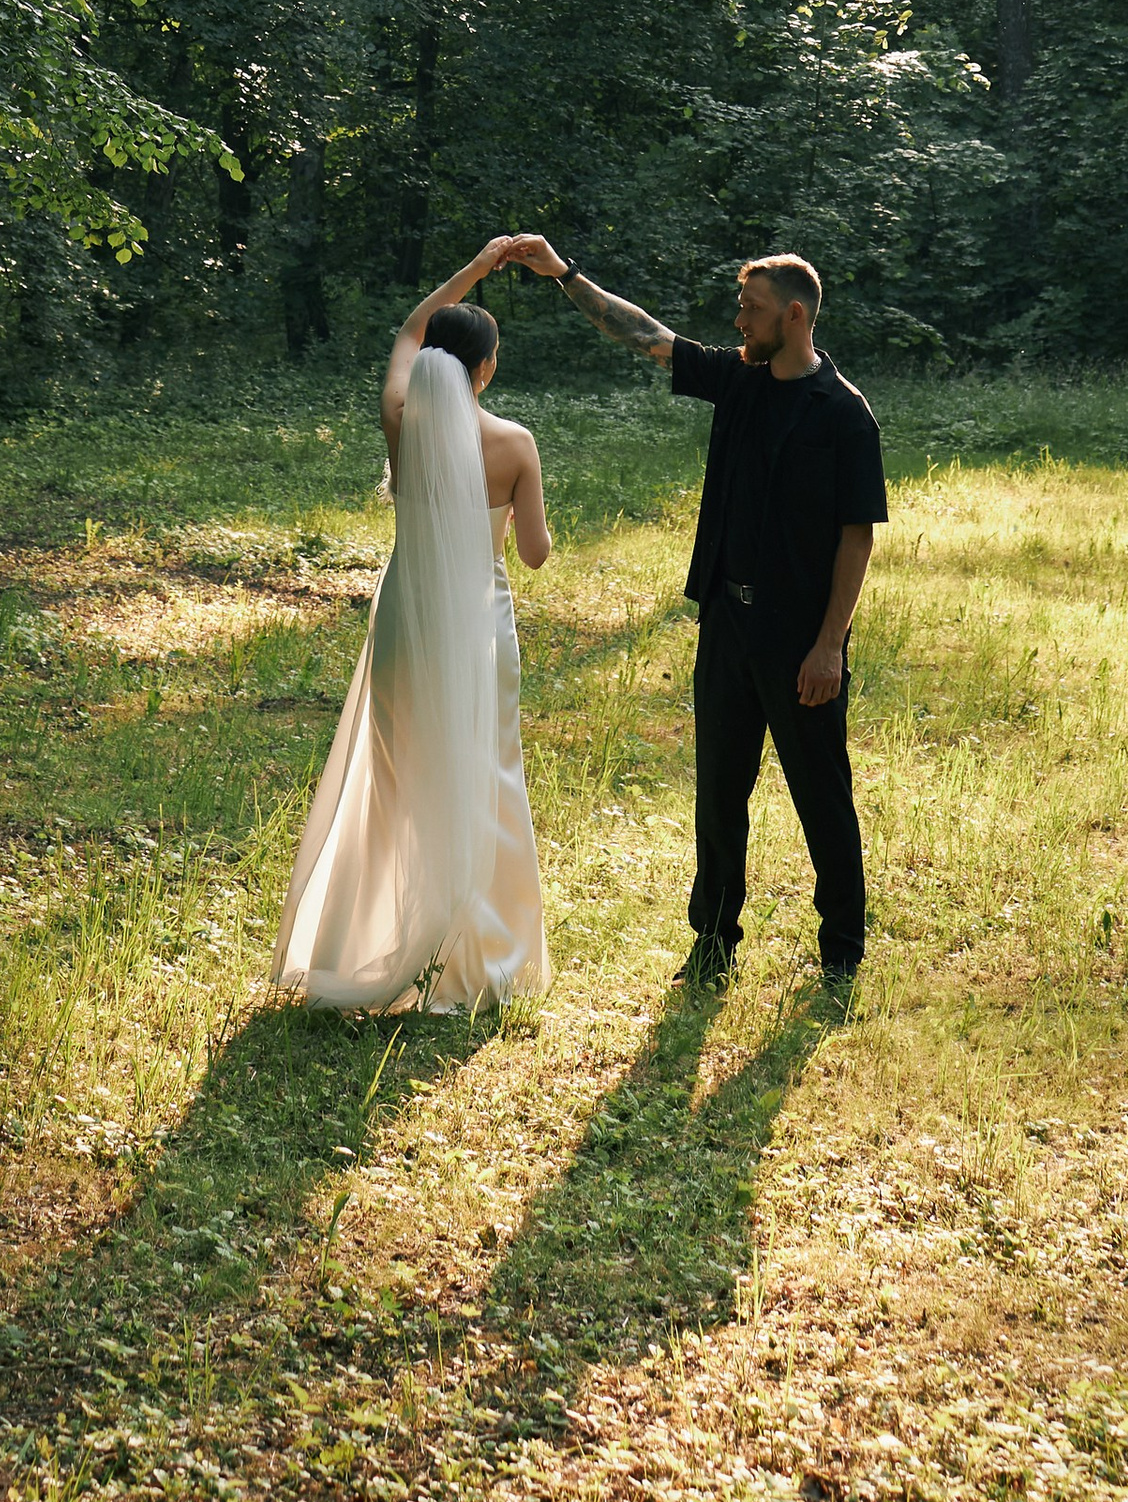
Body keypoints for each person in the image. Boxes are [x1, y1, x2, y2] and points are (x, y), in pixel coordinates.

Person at [525, 239, 884, 987]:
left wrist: (829, 646)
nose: (738, 321)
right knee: (719, 794)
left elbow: (857, 537)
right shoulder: (738, 379)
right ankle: (713, 944)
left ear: (794, 315)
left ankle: (842, 953)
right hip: (727, 624)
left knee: (822, 795)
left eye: (751, 309)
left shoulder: (844, 414)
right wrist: (563, 273)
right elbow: (646, 336)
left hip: (800, 639)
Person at [269, 236, 553, 1013]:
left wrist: (478, 267)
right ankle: (477, 951)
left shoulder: (402, 423)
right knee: (486, 774)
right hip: (479, 626)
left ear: (434, 363)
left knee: (399, 783)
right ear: (484, 371)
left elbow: (408, 329)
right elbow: (534, 556)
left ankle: (383, 938)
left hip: (405, 621)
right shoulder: (514, 445)